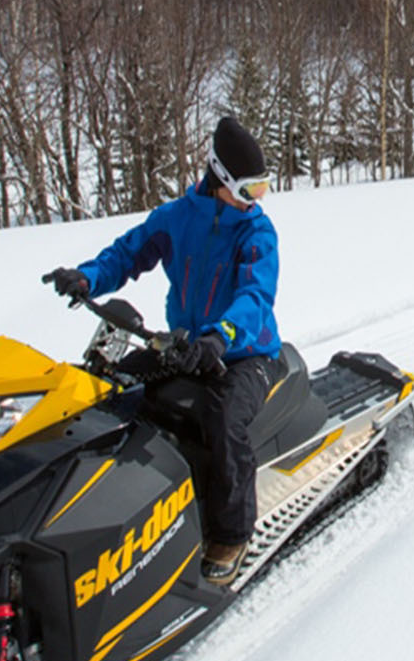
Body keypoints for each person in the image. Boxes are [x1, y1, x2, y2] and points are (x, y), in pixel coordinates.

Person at [42, 116, 281, 585]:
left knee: (224, 420)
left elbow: (255, 295)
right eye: (251, 189)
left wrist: (221, 335)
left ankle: (231, 533)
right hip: (188, 347)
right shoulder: (175, 218)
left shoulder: (256, 233)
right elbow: (128, 254)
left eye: (263, 190)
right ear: (220, 179)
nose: (256, 202)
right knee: (111, 387)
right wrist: (88, 276)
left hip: (244, 354)